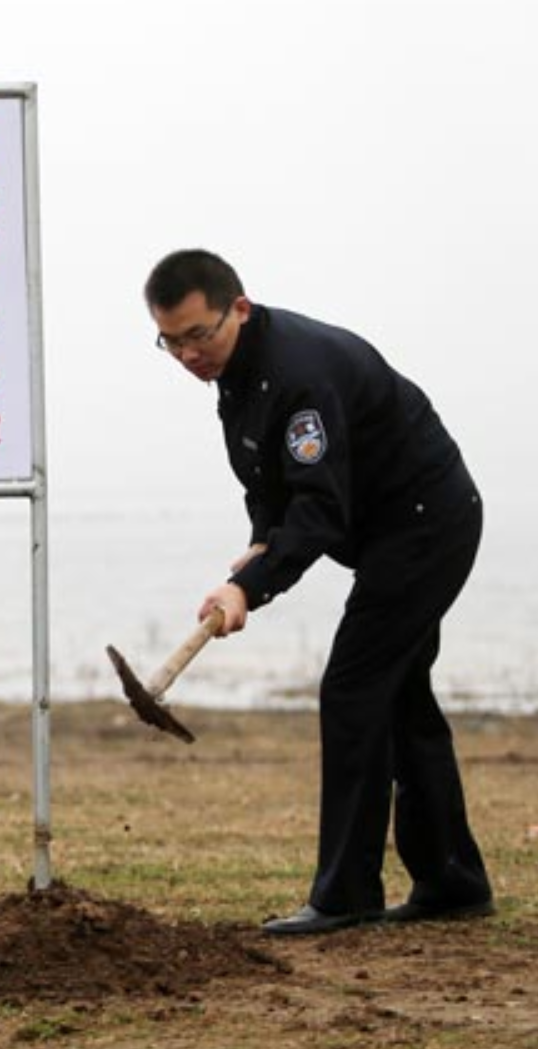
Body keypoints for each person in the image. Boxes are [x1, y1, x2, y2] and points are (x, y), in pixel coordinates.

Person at [143, 248, 493, 936]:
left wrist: (250, 587)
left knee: (354, 689)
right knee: (399, 694)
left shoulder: (298, 374)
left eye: (198, 334)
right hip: (393, 529)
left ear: (238, 307)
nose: (188, 354)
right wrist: (258, 543)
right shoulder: (238, 375)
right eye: (171, 340)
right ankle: (452, 879)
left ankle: (346, 893)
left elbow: (319, 509)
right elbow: (272, 485)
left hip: (425, 523)